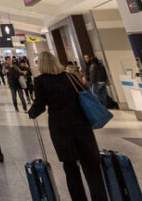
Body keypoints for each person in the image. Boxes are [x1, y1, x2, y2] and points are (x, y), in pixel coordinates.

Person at [28, 52, 107, 201]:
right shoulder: (69, 77)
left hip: (60, 128)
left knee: (70, 168)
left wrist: (31, 112)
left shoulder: (40, 81)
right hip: (81, 124)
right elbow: (84, 92)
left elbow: (40, 104)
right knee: (92, 167)